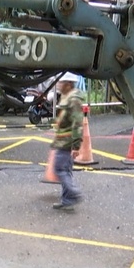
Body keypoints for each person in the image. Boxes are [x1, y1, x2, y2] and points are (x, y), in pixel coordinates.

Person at [50, 72, 85, 211]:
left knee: (59, 168)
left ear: (68, 84)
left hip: (67, 142)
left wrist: (76, 145)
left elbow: (77, 123)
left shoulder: (74, 100)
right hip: (63, 140)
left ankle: (74, 192)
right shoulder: (67, 96)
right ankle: (67, 200)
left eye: (61, 82)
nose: (59, 84)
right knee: (66, 170)